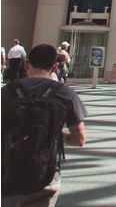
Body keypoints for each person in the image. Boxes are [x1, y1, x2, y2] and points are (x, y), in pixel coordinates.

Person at [1, 43, 87, 206]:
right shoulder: (65, 93)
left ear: (26, 63)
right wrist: (49, 130)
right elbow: (79, 139)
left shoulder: (6, 92)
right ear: (54, 67)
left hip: (9, 175)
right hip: (46, 176)